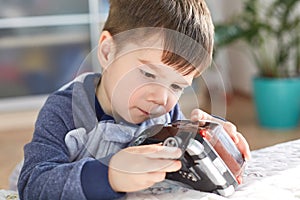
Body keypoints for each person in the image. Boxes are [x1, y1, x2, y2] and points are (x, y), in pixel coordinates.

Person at [18, 0, 251, 199]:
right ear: (108, 52)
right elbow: (32, 184)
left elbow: (183, 164)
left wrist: (214, 140)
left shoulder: (166, 115)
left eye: (177, 86)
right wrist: (109, 175)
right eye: (148, 74)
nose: (161, 98)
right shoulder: (65, 110)